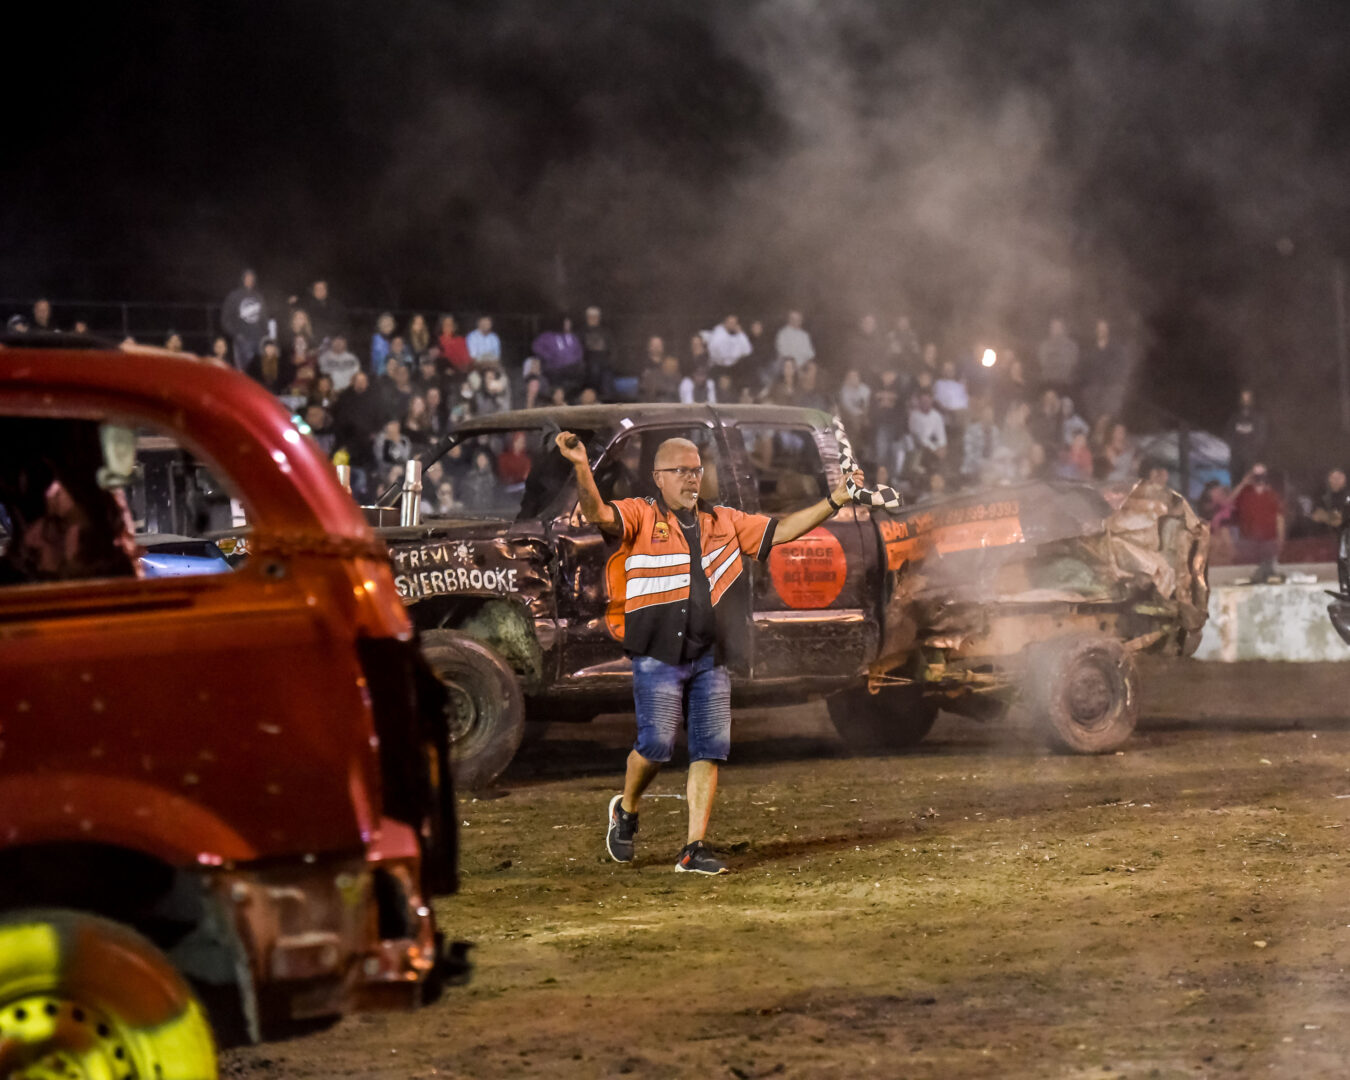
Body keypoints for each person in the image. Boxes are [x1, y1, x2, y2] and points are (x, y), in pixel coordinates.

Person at [553, 430, 864, 875]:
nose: (691, 478)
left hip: (711, 655)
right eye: (680, 471)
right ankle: (627, 808)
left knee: (709, 750)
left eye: (696, 469)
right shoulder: (640, 515)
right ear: (658, 477)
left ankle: (692, 848)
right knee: (656, 747)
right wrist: (582, 465)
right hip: (658, 652)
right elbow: (597, 513)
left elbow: (782, 531)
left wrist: (836, 499)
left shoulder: (726, 520)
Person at [1232, 463, 1285, 583]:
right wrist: (1243, 483)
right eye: (1256, 474)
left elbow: (1280, 518)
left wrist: (1280, 540)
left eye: (1262, 474)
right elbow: (1227, 503)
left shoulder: (1273, 494)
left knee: (1269, 574)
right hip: (1248, 540)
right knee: (1247, 575)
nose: (1259, 477)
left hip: (1269, 540)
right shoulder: (1245, 493)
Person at [221, 268, 267, 370]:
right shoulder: (234, 296)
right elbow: (225, 319)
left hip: (258, 340)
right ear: (242, 279)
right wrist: (236, 334)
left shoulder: (258, 296)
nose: (249, 280)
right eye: (247, 277)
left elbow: (264, 317)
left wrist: (265, 335)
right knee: (243, 372)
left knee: (260, 372)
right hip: (242, 341)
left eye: (251, 278)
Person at [1311, 467, 1350, 532]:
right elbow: (1315, 516)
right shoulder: (1322, 495)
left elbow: (1342, 518)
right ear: (1328, 479)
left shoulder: (1348, 495)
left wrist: (1328, 516)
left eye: (1340, 477)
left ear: (1345, 479)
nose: (1336, 480)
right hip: (1324, 534)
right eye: (1333, 477)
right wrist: (1332, 518)